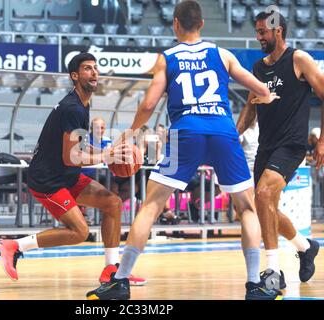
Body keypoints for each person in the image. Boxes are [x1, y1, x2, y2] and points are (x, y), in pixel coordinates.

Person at [86, 0, 280, 300]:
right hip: (222, 131)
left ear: (175, 24)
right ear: (201, 24)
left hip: (184, 133)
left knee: (150, 206)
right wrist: (265, 97)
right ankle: (254, 285)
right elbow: (260, 89)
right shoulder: (222, 54)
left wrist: (130, 133)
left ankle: (120, 280)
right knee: (247, 208)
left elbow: (149, 104)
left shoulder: (167, 58)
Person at [0, 53, 146, 286]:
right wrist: (106, 156)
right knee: (79, 232)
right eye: (87, 68)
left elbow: (77, 147)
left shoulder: (82, 103)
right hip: (48, 180)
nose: (94, 72)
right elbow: (71, 157)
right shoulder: (72, 108)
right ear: (74, 76)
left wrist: (108, 150)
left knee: (113, 203)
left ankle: (112, 270)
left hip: (65, 175)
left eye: (96, 68)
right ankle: (14, 245)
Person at [236, 11, 321, 290]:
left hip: (292, 144)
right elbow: (249, 108)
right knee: (265, 208)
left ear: (279, 31)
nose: (259, 37)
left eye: (263, 32)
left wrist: (322, 142)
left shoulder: (299, 60)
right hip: (266, 145)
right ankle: (305, 246)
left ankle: (273, 270)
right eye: (257, 31)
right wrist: (233, 136)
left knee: (262, 195)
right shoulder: (259, 68)